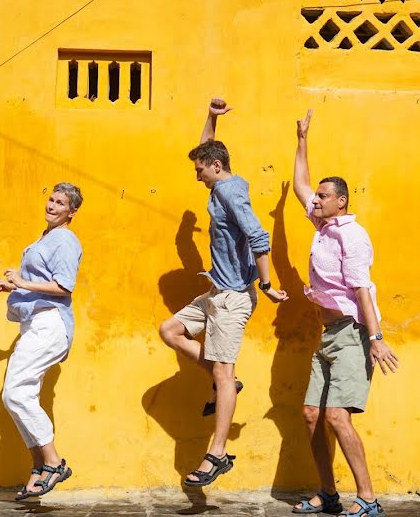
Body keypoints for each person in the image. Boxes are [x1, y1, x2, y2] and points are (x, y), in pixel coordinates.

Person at [159, 98, 288, 487]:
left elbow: (258, 235)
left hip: (233, 297)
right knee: (171, 331)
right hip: (216, 291)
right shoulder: (219, 183)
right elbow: (205, 151)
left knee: (223, 369)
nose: (196, 175)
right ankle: (224, 383)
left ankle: (216, 454)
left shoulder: (231, 193)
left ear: (216, 168)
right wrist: (211, 119)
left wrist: (266, 285)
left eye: (200, 170)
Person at [289, 110, 399, 517]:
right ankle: (328, 494)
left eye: (322, 197)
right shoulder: (322, 227)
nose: (314, 200)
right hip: (328, 333)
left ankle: (368, 498)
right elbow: (301, 183)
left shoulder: (351, 235)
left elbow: (362, 289)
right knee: (311, 415)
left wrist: (376, 338)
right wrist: (302, 139)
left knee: (337, 416)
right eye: (316, 197)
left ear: (341, 201)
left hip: (353, 332)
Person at [0, 182, 84, 500]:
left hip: (50, 324)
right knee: (16, 396)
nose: (52, 205)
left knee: (16, 392)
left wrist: (21, 280)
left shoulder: (65, 241)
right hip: (35, 324)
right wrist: (14, 288)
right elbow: (40, 282)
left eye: (61, 203)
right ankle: (39, 467)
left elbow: (64, 287)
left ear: (71, 212)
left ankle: (54, 462)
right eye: (51, 199)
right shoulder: (46, 238)